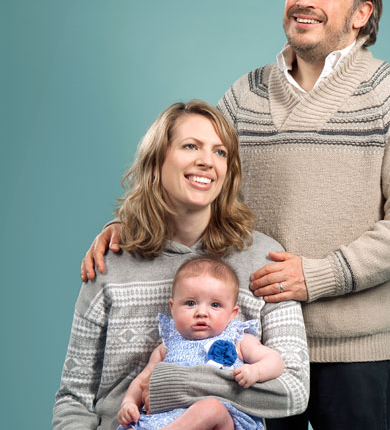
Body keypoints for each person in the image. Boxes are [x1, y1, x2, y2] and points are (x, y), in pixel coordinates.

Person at [82, 0, 390, 429]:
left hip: (352, 351)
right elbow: (197, 176)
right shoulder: (244, 94)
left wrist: (319, 276)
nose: (304, 0)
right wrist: (130, 226)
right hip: (244, 347)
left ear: (362, 13)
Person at [53, 100, 309, 430]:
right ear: (157, 162)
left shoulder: (263, 258)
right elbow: (73, 398)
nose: (207, 161)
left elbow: (292, 391)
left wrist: (171, 383)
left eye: (220, 152)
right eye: (191, 146)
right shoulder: (109, 262)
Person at [117, 256, 284, 430]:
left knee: (211, 408)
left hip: (221, 420)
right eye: (191, 303)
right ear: (173, 308)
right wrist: (129, 404)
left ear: (232, 314)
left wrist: (256, 371)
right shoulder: (167, 345)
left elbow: (275, 361)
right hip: (165, 420)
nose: (202, 312)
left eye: (215, 305)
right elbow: (142, 380)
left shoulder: (238, 339)